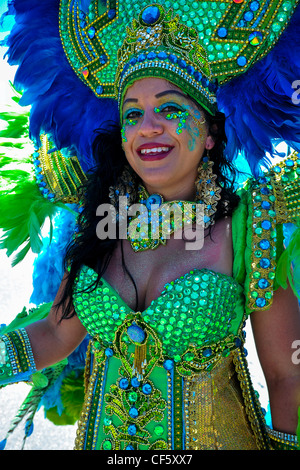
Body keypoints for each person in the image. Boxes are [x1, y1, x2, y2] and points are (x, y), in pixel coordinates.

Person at [1, 0, 300, 451]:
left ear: (211, 130)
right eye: (133, 114)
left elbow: (287, 375)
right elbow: (56, 333)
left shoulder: (251, 224)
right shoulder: (101, 222)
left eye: (171, 108)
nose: (148, 127)